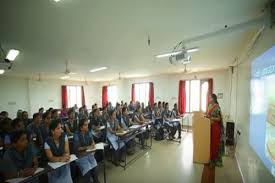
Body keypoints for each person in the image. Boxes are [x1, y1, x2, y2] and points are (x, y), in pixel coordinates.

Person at [201, 94, 225, 183]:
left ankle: (214, 161)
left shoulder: (217, 107)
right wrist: (206, 116)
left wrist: (211, 117)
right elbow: (208, 115)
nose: (209, 99)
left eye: (210, 98)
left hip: (216, 128)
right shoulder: (210, 106)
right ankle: (210, 158)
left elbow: (219, 118)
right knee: (210, 144)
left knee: (214, 144)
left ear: (214, 99)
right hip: (210, 127)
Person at [73, 118, 100, 183]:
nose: (87, 126)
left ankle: (96, 181)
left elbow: (92, 140)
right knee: (87, 173)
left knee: (95, 169)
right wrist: (88, 147)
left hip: (89, 154)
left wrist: (93, 143)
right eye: (85, 125)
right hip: (81, 156)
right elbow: (77, 148)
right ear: (81, 128)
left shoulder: (88, 132)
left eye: (87, 124)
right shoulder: (76, 134)